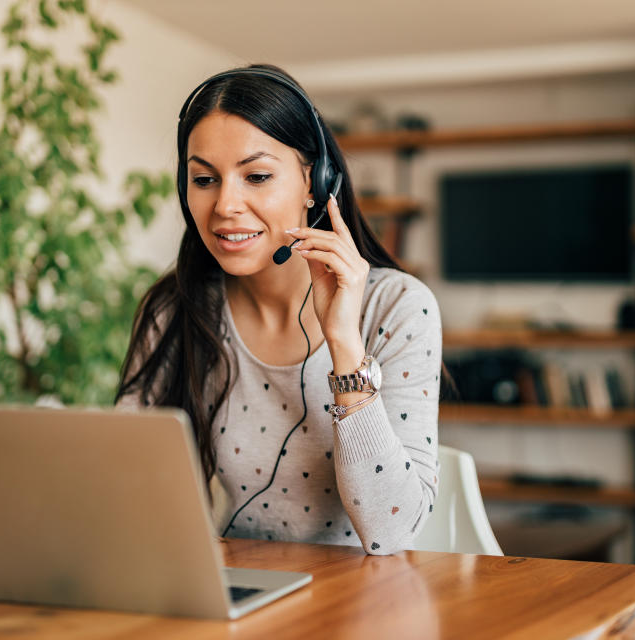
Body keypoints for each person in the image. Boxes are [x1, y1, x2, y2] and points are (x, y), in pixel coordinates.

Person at [115, 64, 442, 555]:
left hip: (372, 601)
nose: (225, 204)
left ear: (315, 180)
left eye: (258, 175)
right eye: (204, 179)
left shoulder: (396, 307)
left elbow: (389, 533)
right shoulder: (178, 308)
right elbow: (124, 483)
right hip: (241, 594)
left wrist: (344, 345)